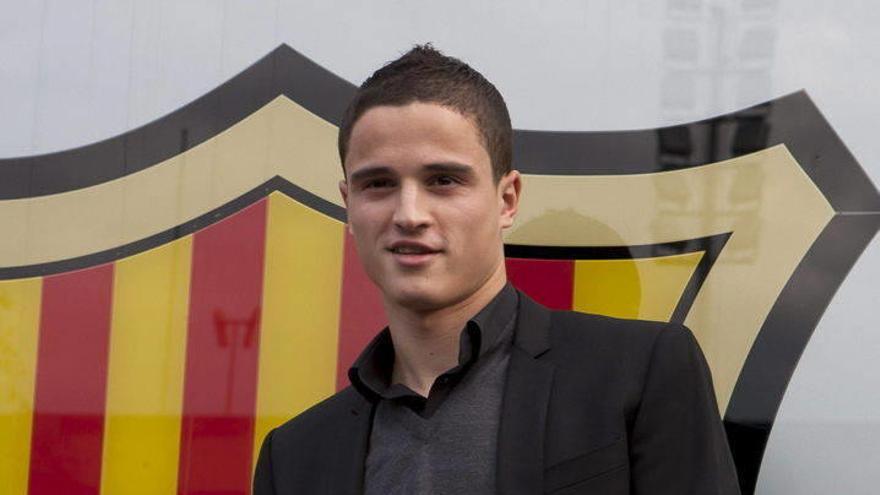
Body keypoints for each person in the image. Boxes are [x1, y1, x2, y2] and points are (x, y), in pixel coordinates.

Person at [253, 44, 740, 495]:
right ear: (348, 206)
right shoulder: (294, 457)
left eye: (443, 180)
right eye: (378, 184)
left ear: (507, 200)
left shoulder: (640, 372)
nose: (409, 214)